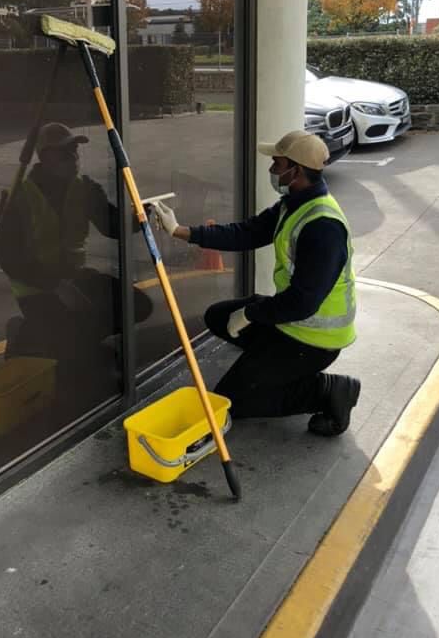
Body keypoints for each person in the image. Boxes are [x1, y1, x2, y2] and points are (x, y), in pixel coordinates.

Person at [152, 130, 360, 437]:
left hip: (314, 339)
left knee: (234, 401)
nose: (272, 170)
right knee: (218, 317)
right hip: (290, 320)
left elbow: (302, 303)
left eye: (277, 163)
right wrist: (180, 231)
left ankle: (328, 390)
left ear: (296, 171)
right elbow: (246, 233)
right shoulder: (294, 204)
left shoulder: (323, 227)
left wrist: (251, 313)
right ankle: (269, 363)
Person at [0, 122, 153, 361]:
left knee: (137, 306)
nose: (74, 158)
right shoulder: (18, 197)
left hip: (75, 276)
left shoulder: (84, 189)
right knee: (70, 344)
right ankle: (25, 336)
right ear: (45, 158)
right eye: (64, 153)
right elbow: (10, 259)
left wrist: (139, 218)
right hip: (37, 289)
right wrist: (57, 286)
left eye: (75, 151)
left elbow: (112, 226)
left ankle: (77, 341)